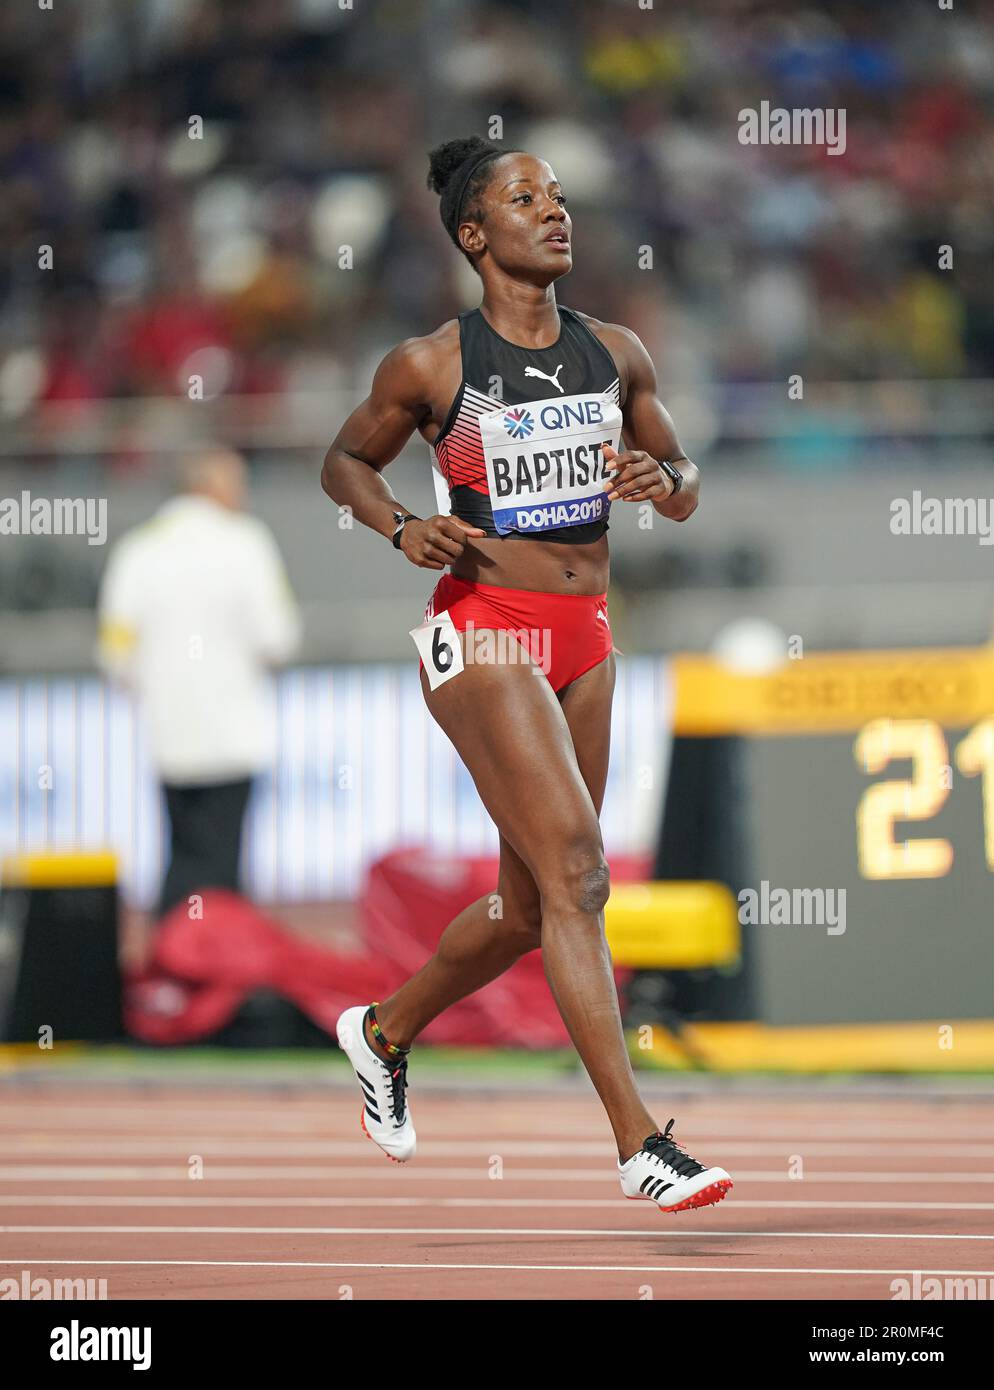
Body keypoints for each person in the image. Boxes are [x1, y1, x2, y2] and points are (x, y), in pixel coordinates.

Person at [322, 137, 731, 1213]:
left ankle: (381, 1029)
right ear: (474, 234)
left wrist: (664, 476)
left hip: (585, 633)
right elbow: (344, 460)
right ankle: (639, 1140)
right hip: (483, 624)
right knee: (581, 873)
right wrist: (399, 525)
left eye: (556, 196)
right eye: (523, 198)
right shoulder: (432, 367)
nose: (553, 211)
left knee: (525, 905)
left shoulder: (618, 352)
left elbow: (685, 481)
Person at [98, 446, 301, 919]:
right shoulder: (246, 542)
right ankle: (216, 965)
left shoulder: (139, 550)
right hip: (233, 735)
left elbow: (115, 651)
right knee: (224, 863)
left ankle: (171, 957)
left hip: (169, 735)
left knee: (181, 852)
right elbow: (278, 638)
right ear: (213, 486)